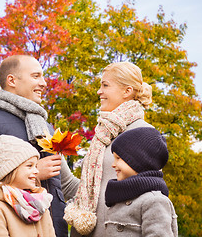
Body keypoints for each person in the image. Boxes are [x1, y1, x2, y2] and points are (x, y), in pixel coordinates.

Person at [0, 55, 79, 237]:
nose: (44, 83)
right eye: (36, 76)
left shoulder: (45, 128)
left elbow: (68, 185)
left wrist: (116, 188)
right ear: (12, 80)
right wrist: (32, 172)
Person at [64, 62, 154, 236]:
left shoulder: (144, 133)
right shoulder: (104, 132)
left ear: (127, 91)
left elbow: (150, 194)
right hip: (89, 229)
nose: (99, 91)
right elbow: (94, 188)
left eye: (105, 85)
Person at [104, 127, 178, 236]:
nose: (113, 164)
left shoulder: (154, 201)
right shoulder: (120, 197)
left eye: (118, 158)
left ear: (138, 160)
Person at [0, 135, 56, 237]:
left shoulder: (40, 204)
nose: (36, 171)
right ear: (11, 170)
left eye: (36, 166)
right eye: (29, 166)